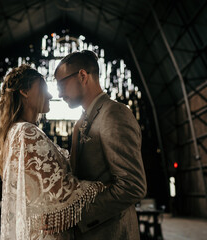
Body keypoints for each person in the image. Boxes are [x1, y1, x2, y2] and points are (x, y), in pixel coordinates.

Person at [0, 64, 106, 240]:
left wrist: (76, 134)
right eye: (44, 88)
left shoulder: (14, 132)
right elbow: (61, 193)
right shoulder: (26, 133)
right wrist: (104, 184)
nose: (51, 95)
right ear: (24, 91)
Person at [54, 50, 147, 240]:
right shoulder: (82, 120)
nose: (59, 93)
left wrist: (76, 216)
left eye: (61, 83)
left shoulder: (114, 114)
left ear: (82, 75)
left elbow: (132, 186)